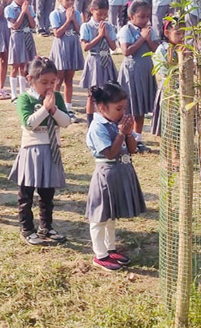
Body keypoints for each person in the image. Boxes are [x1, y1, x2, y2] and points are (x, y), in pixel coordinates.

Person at [11, 57, 71, 246]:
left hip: (51, 150)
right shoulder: (24, 99)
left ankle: (46, 226)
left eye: (52, 82)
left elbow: (66, 122)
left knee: (47, 192)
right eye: (43, 82)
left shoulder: (57, 98)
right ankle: (27, 228)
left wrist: (53, 109)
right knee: (26, 193)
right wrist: (45, 109)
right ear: (30, 79)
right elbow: (29, 123)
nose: (48, 86)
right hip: (32, 150)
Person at [85, 83, 145, 271]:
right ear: (102, 108)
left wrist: (127, 133)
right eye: (118, 109)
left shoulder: (117, 124)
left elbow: (133, 149)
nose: (122, 112)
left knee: (111, 216)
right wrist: (121, 133)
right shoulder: (97, 127)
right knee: (100, 217)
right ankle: (100, 254)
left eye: (124, 108)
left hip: (121, 172)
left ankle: (110, 249)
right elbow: (110, 153)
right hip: (106, 174)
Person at [118, 0, 158, 150]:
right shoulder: (125, 31)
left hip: (146, 70)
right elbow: (126, 51)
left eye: (147, 16)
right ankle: (124, 136)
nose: (145, 20)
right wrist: (142, 38)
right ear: (131, 16)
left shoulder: (149, 30)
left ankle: (138, 138)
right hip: (131, 72)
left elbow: (155, 48)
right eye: (141, 16)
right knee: (130, 106)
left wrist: (148, 39)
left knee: (141, 107)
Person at [79, 0, 117, 123]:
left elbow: (113, 46)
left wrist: (106, 35)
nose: (102, 17)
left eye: (105, 14)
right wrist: (99, 36)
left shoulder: (109, 26)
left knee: (107, 92)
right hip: (94, 60)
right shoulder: (86, 26)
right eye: (99, 14)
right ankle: (90, 122)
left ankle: (105, 119)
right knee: (92, 94)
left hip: (106, 60)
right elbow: (85, 47)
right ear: (92, 10)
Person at [48, 0, 84, 116]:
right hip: (61, 46)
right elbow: (57, 33)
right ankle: (55, 104)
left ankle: (68, 106)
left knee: (69, 78)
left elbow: (80, 31)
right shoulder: (55, 14)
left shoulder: (77, 13)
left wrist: (74, 19)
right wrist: (68, 19)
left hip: (73, 45)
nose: (70, 2)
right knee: (58, 78)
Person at [6, 0, 38, 99]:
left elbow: (33, 25)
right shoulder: (9, 9)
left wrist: (28, 12)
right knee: (15, 65)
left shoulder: (29, 8)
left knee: (24, 66)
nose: (23, 0)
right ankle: (14, 94)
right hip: (17, 37)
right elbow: (15, 25)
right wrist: (22, 12)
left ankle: (23, 92)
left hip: (27, 36)